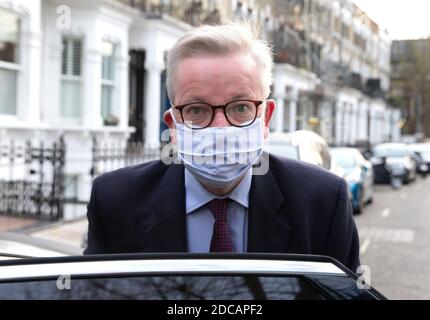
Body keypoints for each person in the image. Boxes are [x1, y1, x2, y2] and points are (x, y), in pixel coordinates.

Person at [84, 22, 360, 272]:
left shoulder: (323, 202)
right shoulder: (114, 202)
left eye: (240, 107)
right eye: (196, 109)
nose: (219, 128)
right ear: (173, 124)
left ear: (265, 117)